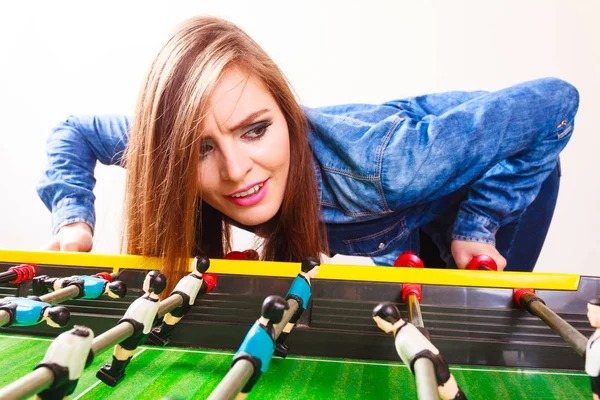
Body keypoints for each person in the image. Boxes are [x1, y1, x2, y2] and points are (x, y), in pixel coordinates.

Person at [37, 16, 579, 290]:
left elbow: (556, 101)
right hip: (390, 219)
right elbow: (73, 130)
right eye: (203, 148)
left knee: (465, 328)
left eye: (254, 130)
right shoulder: (167, 144)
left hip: (491, 180)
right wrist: (73, 219)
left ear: (288, 113)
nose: (235, 172)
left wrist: (480, 224)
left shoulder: (388, 169)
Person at [372, 302, 466, 400]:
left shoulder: (403, 338)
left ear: (389, 321)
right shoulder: (407, 328)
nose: (379, 326)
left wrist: (426, 375)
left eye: (379, 323)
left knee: (454, 396)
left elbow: (424, 356)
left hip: (441, 380)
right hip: (441, 376)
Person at [586, 297, 600, 400]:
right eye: (589, 311)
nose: (589, 315)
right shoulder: (596, 334)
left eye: (595, 312)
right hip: (595, 376)